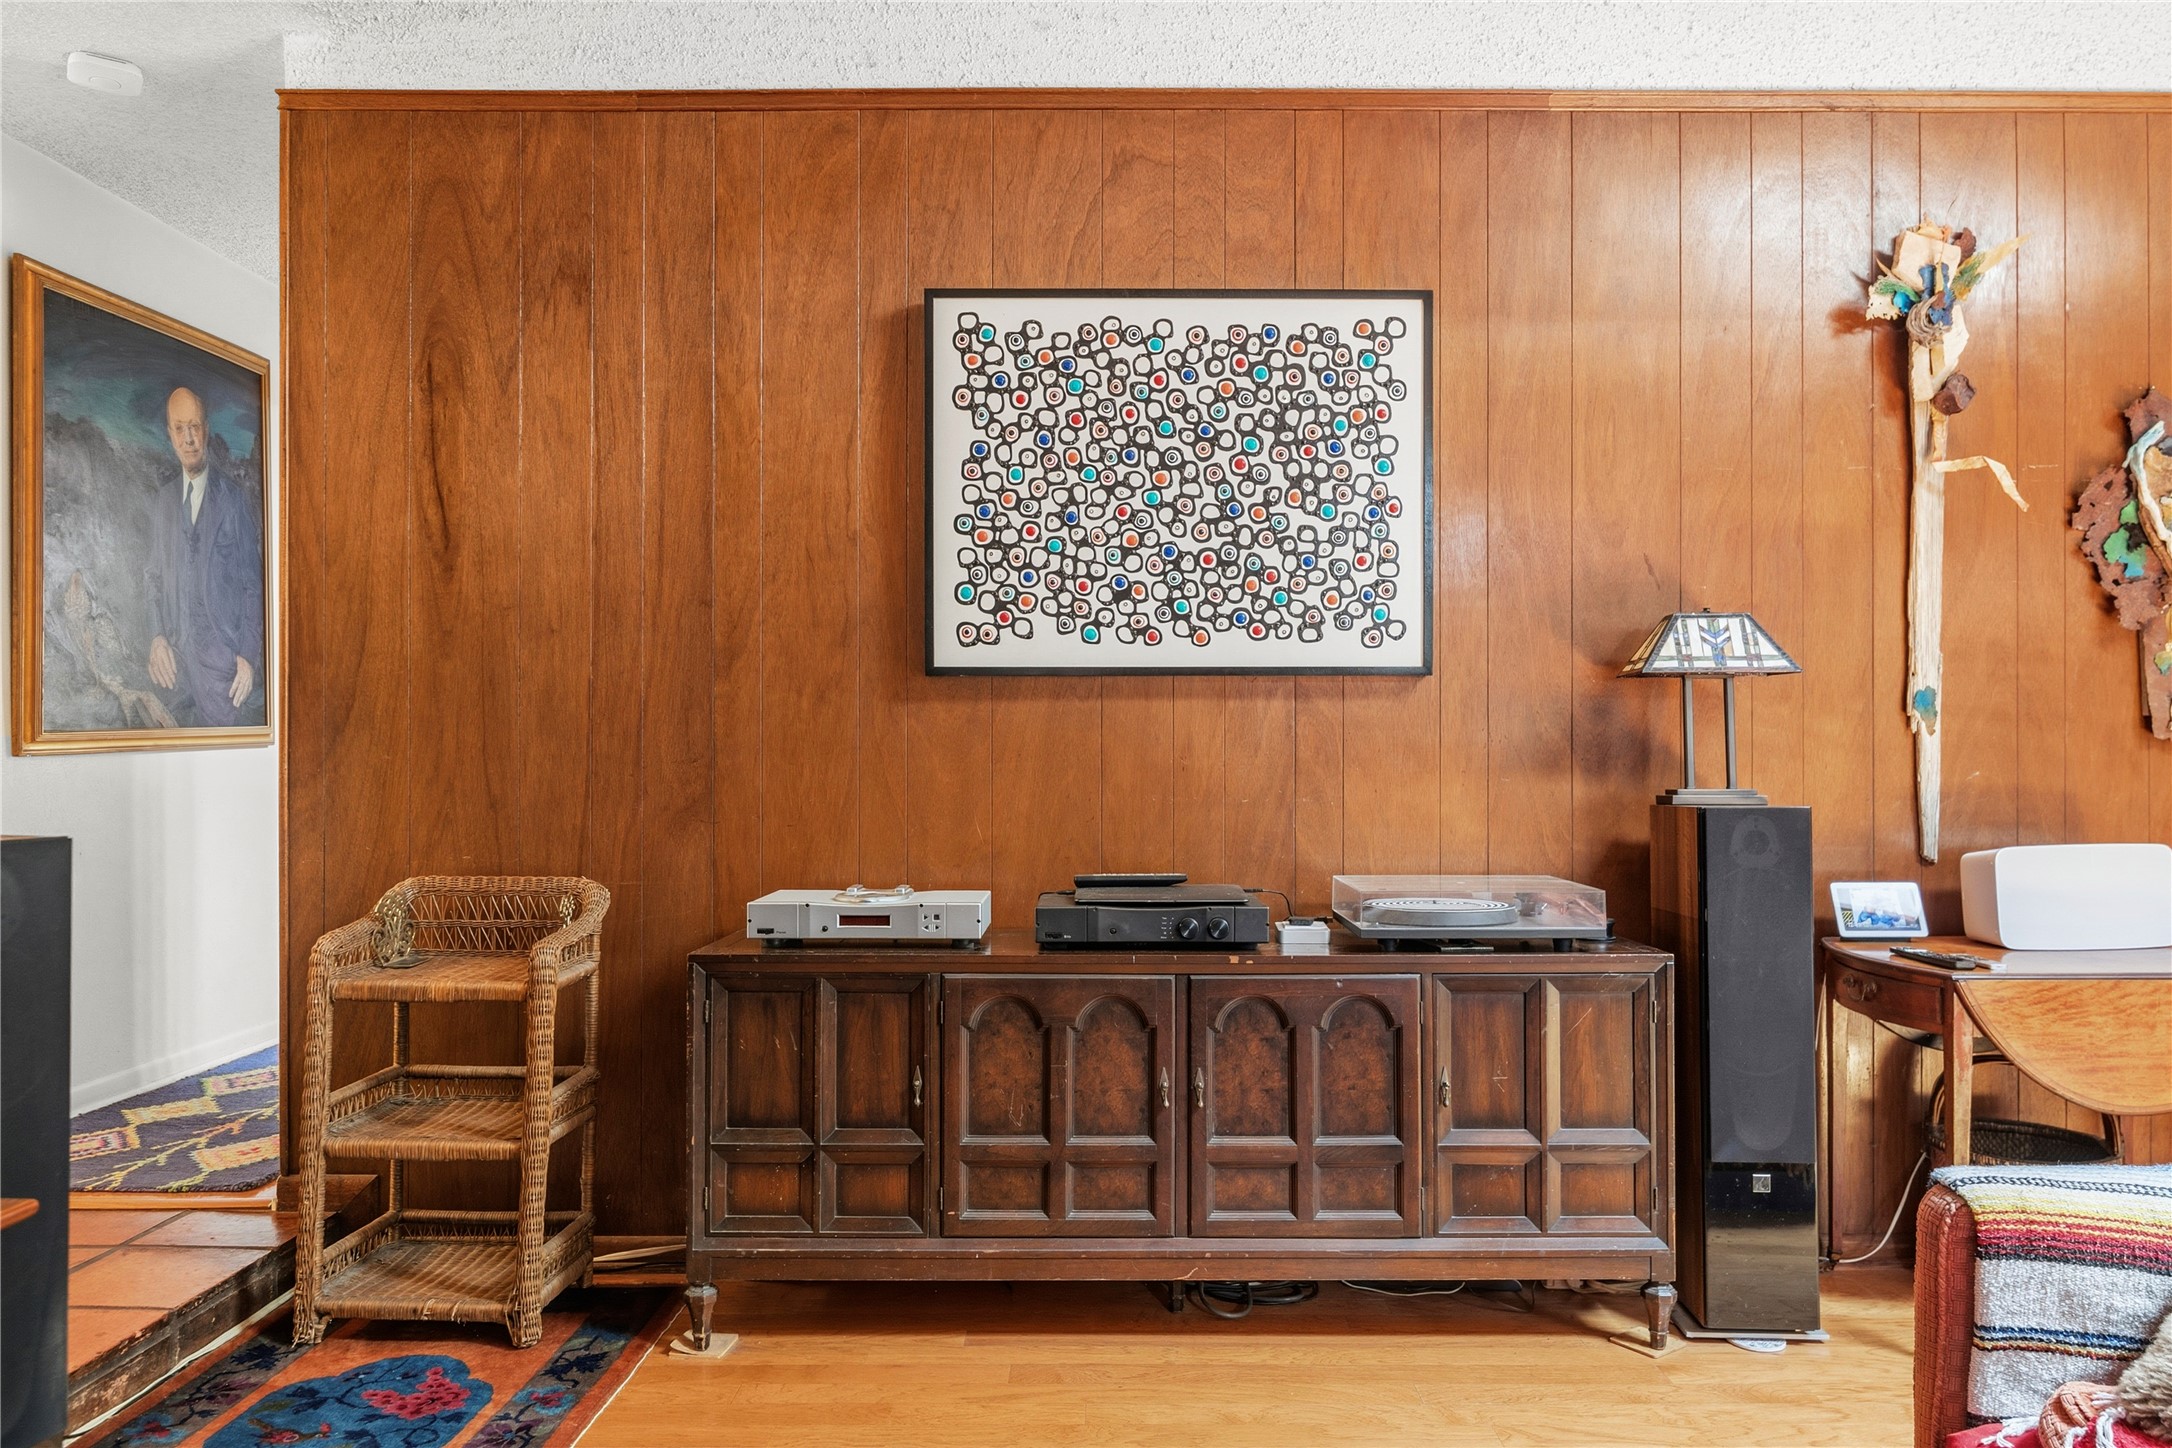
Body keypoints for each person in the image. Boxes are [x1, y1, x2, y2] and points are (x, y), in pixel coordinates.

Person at [145, 386, 264, 726]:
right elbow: (153, 576)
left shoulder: (233, 500)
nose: (189, 439)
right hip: (175, 666)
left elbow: (253, 587)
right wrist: (156, 637)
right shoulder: (164, 502)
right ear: (170, 435)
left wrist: (247, 657)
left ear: (207, 431)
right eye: (179, 428)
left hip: (222, 667)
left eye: (194, 427)